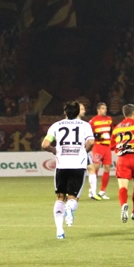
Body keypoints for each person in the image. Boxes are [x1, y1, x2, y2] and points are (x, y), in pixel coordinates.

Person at [41, 101, 94, 239]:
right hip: (78, 165)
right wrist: (84, 151)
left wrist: (54, 150)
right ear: (77, 112)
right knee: (73, 198)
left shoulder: (56, 125)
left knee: (60, 197)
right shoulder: (85, 125)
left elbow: (45, 144)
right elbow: (91, 142)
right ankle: (69, 208)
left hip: (62, 165)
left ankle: (59, 231)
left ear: (65, 112)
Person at [112, 104, 134, 223]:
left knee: (123, 187)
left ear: (124, 114)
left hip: (123, 159)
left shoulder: (117, 128)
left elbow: (112, 145)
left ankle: (124, 204)